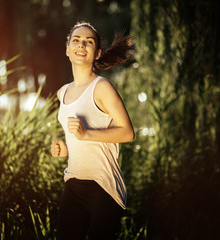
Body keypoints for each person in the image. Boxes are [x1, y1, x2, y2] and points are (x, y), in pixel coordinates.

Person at [51, 21, 135, 240]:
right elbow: (78, 139)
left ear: (97, 53)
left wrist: (86, 133)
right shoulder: (63, 93)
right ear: (67, 49)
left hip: (103, 187)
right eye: (76, 40)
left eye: (88, 42)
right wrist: (65, 149)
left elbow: (127, 132)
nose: (81, 45)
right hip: (73, 183)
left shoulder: (102, 87)